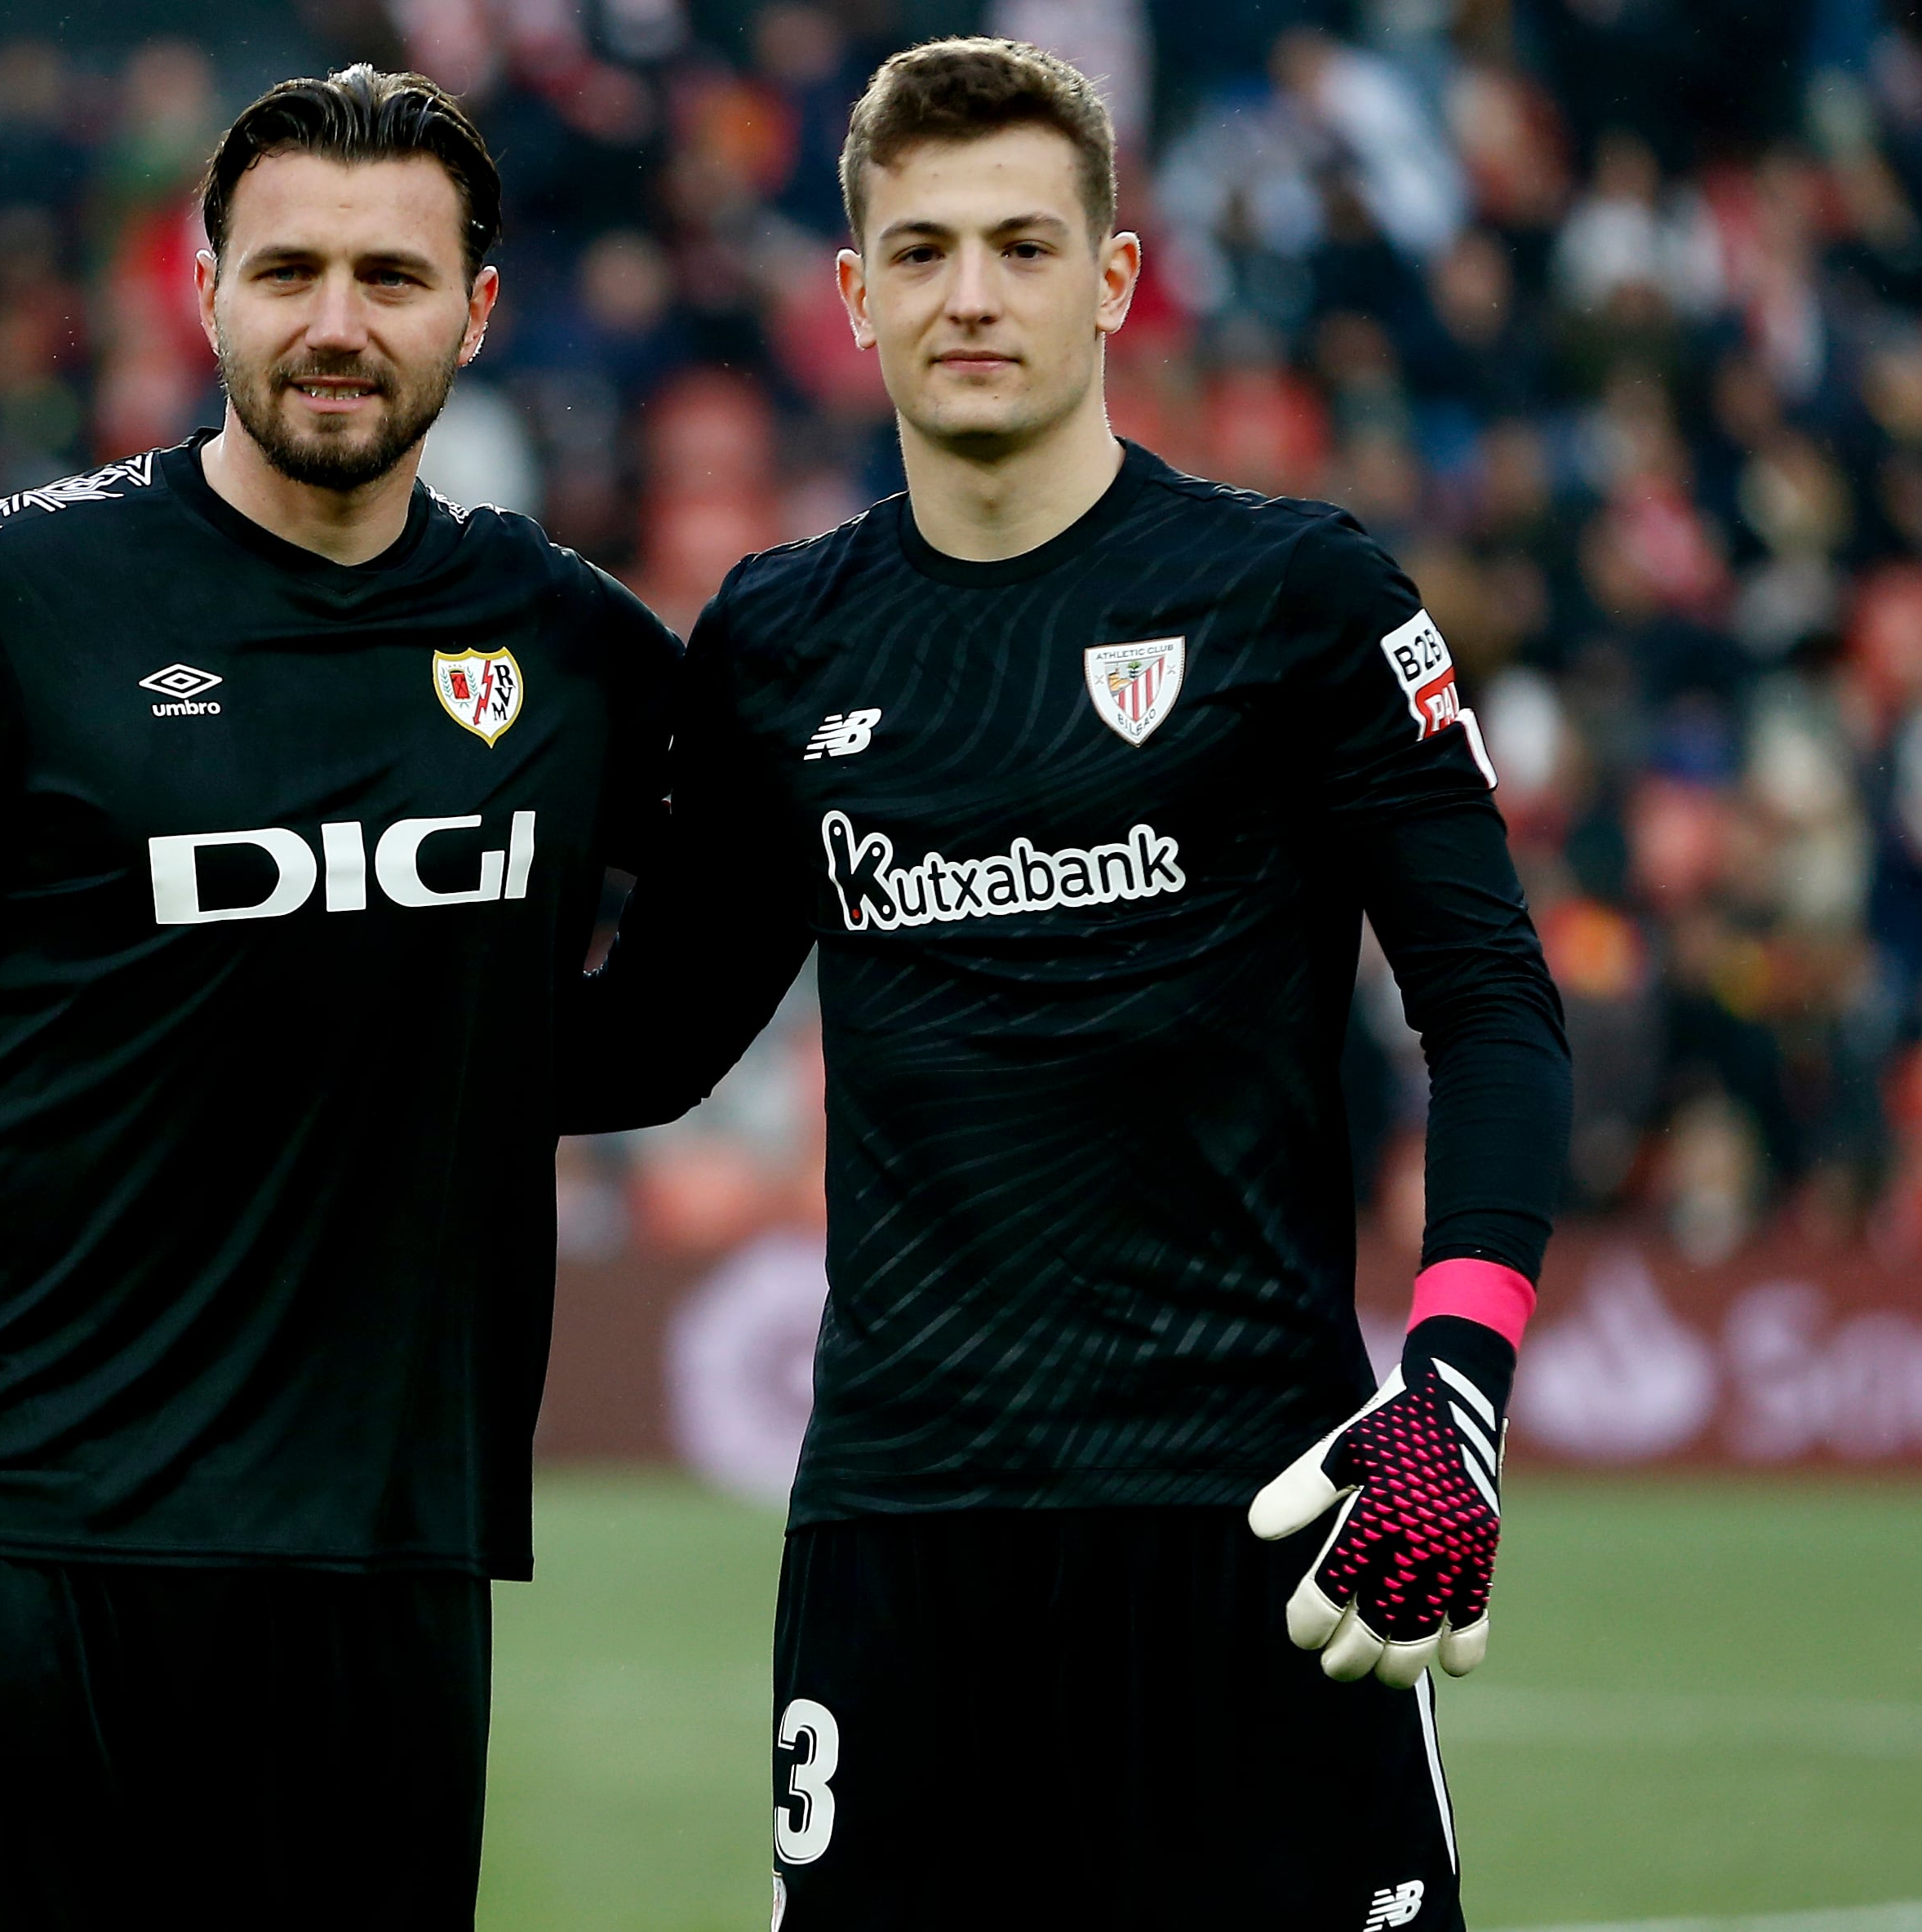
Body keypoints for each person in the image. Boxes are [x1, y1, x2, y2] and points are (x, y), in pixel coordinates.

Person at [557, 38, 1569, 1931]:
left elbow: (1493, 1008)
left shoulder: (1297, 598)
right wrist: (323, 1007)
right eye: (922, 250)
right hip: (901, 1536)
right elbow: (652, 1038)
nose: (971, 294)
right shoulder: (779, 639)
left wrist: (1457, 1388)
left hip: (1258, 1521)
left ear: (1111, 280)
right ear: (853, 300)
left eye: (1023, 245)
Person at [0, 67, 676, 1929]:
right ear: (202, 290)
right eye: (287, 271)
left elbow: (748, 931)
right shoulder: (7, 602)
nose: (337, 324)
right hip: (35, 1553)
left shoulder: (580, 648)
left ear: (479, 310)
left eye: (390, 274)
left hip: (391, 1562)